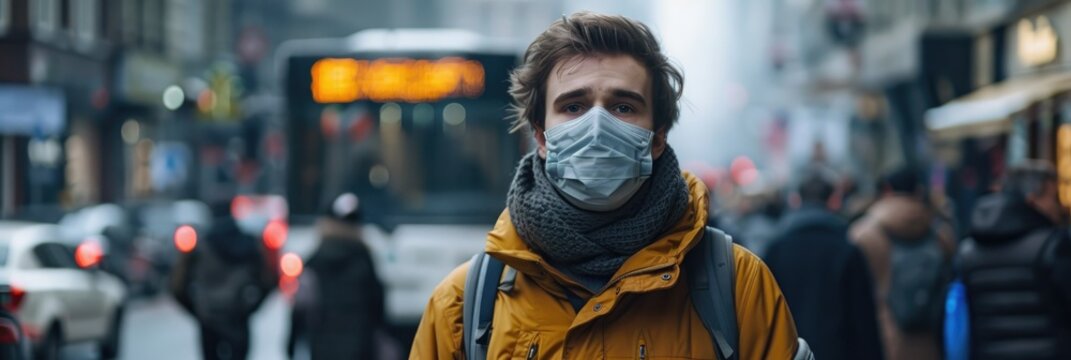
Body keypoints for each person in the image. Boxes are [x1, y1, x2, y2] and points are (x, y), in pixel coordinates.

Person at [411, 12, 801, 359]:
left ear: (657, 137)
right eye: (574, 107)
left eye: (623, 107)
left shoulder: (738, 286)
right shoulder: (464, 303)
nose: (597, 127)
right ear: (542, 137)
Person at [955, 161, 1071, 359]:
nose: (1059, 207)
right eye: (1053, 198)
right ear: (1033, 200)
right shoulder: (1052, 245)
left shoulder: (967, 251)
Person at [765, 168, 884, 360]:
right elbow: (864, 322)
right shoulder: (847, 249)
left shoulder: (776, 249)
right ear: (834, 201)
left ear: (796, 200)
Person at [850, 166, 956, 360]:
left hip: (886, 342)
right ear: (918, 191)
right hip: (933, 342)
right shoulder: (941, 233)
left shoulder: (862, 235)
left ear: (887, 190)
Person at [170, 201, 278, 360]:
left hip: (209, 319)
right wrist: (250, 308)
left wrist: (197, 310)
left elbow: (177, 286)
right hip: (237, 319)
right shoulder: (248, 245)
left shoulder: (201, 248)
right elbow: (269, 280)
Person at [287, 193, 387, 360]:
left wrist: (291, 344)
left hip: (322, 348)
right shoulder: (365, 260)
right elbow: (378, 307)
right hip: (360, 347)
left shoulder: (314, 261)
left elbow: (300, 308)